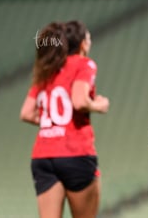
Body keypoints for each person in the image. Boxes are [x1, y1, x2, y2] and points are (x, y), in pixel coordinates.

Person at [20, 20, 109, 218]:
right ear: (83, 44)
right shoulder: (84, 64)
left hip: (43, 156)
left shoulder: (48, 68)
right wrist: (99, 105)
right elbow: (79, 101)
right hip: (74, 152)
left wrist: (53, 121)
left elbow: (26, 112)